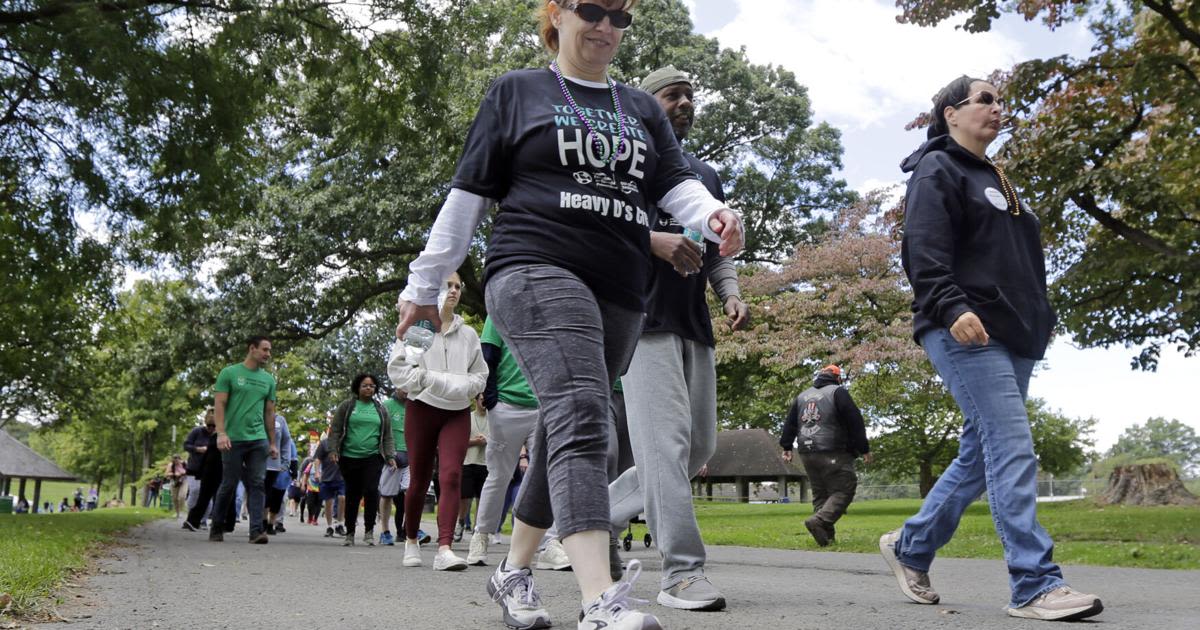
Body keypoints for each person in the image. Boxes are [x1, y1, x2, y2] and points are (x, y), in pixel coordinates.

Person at [393, 1, 744, 626]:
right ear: (556, 14)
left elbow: (673, 183)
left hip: (621, 288)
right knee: (585, 411)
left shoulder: (639, 107)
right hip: (533, 267)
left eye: (620, 15)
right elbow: (469, 193)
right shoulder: (517, 92)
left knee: (563, 427)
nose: (606, 24)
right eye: (591, 8)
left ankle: (513, 571)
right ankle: (599, 599)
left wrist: (711, 214)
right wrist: (424, 282)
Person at [881, 75, 1102, 622]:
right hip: (964, 326)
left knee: (981, 455)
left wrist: (1040, 319)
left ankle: (911, 546)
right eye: (985, 99)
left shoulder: (1001, 180)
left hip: (1016, 333)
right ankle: (1034, 584)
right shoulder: (939, 168)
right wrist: (953, 309)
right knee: (1011, 445)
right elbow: (923, 250)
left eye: (1001, 101)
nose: (997, 108)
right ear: (951, 113)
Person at [603, 64, 750, 613]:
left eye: (690, 96)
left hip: (694, 323)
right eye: (672, 95)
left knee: (697, 448)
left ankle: (585, 519)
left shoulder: (704, 176)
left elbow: (716, 251)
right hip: (640, 319)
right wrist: (652, 241)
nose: (685, 103)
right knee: (663, 447)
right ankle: (681, 573)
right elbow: (599, 228)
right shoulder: (620, 161)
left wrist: (730, 292)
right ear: (645, 105)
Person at [389, 271, 487, 571]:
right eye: (448, 286)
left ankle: (445, 547)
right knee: (418, 480)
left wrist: (459, 388)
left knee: (451, 476)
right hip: (422, 410)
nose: (454, 290)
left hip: (456, 414)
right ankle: (410, 540)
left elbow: (480, 375)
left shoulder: (468, 334)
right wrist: (436, 381)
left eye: (458, 286)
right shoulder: (419, 330)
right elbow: (399, 371)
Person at [466, 315, 540, 567]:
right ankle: (481, 535)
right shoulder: (500, 308)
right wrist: (490, 396)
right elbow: (487, 354)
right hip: (506, 405)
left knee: (549, 473)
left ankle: (551, 541)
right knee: (499, 476)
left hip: (543, 406)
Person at [779, 364, 870, 547]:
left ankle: (827, 539)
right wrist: (864, 448)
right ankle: (819, 522)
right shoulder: (838, 392)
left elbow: (790, 423)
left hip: (806, 452)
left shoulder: (802, 396)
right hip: (833, 449)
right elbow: (855, 421)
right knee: (843, 489)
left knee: (821, 494)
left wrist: (787, 446)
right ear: (838, 378)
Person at [208, 335, 279, 544]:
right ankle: (217, 527)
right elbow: (219, 405)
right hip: (233, 438)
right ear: (252, 349)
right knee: (229, 483)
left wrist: (272, 442)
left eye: (269, 350)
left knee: (257, 483)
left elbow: (269, 412)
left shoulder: (268, 380)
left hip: (258, 439)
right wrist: (221, 433)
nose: (268, 354)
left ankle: (256, 531)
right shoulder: (229, 373)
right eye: (265, 349)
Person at [328, 374, 397, 547]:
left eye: (372, 386)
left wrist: (390, 456)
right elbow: (335, 430)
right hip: (349, 457)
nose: (369, 388)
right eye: (365, 385)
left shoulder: (381, 409)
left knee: (372, 491)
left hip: (373, 457)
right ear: (357, 387)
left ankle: (369, 532)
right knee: (352, 494)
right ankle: (349, 532)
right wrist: (333, 450)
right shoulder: (347, 406)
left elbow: (387, 436)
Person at [377, 389, 410, 546]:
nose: (407, 391)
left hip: (411, 456)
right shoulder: (386, 406)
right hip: (392, 457)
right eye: (404, 387)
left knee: (412, 492)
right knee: (387, 495)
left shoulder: (415, 406)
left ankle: (411, 529)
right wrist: (386, 455)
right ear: (396, 387)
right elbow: (380, 432)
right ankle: (385, 531)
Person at [456, 395, 489, 542]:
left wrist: (488, 441)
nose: (484, 401)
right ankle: (461, 522)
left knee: (482, 499)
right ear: (476, 400)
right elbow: (458, 441)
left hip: (486, 463)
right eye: (482, 398)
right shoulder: (467, 418)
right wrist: (476, 441)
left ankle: (477, 529)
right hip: (468, 462)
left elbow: (500, 440)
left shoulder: (494, 418)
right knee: (465, 498)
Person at [263, 412, 293, 535]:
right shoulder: (256, 415)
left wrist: (286, 462)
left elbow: (286, 442)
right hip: (257, 464)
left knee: (276, 495)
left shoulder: (280, 420)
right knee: (260, 494)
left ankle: (271, 523)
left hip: (275, 465)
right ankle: (261, 522)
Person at [184, 411, 216, 525]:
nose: (211, 429)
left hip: (209, 469)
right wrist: (197, 449)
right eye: (209, 426)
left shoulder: (218, 435)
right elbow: (186, 445)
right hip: (194, 467)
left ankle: (203, 520)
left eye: (214, 426)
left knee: (207, 495)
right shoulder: (197, 432)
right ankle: (190, 516)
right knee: (194, 491)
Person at [314, 428, 347, 537]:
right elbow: (318, 459)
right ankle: (330, 526)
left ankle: (340, 524)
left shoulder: (344, 443)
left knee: (342, 498)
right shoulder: (324, 443)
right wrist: (317, 472)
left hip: (342, 476)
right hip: (327, 477)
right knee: (329, 502)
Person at [164, 454, 188, 519]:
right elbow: (166, 474)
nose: (176, 461)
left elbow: (190, 471)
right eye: (175, 460)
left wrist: (183, 473)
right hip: (174, 482)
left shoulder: (185, 463)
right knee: (174, 498)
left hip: (184, 481)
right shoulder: (171, 465)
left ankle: (181, 511)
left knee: (182, 496)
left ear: (180, 459)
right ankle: (177, 512)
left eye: (177, 459)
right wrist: (174, 474)